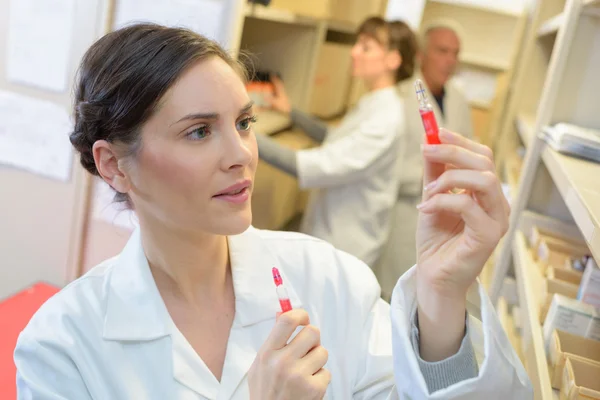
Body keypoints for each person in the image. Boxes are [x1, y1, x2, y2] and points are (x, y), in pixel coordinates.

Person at [14, 24, 532, 399]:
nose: (242, 153)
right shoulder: (60, 347)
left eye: (243, 122)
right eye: (199, 131)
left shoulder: (329, 281)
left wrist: (441, 299)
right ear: (115, 165)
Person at [256, 17, 416, 267]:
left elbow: (312, 164)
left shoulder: (386, 119)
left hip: (345, 250)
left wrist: (242, 133)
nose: (353, 52)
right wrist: (291, 112)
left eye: (365, 47)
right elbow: (335, 138)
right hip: (331, 236)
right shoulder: (375, 103)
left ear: (393, 59)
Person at [376, 19, 475, 300]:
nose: (450, 60)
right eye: (442, 51)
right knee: (393, 296)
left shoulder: (458, 98)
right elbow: (387, 166)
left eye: (455, 53)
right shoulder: (399, 95)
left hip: (447, 218)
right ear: (421, 54)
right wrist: (434, 176)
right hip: (405, 214)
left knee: (427, 300)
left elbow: (468, 147)